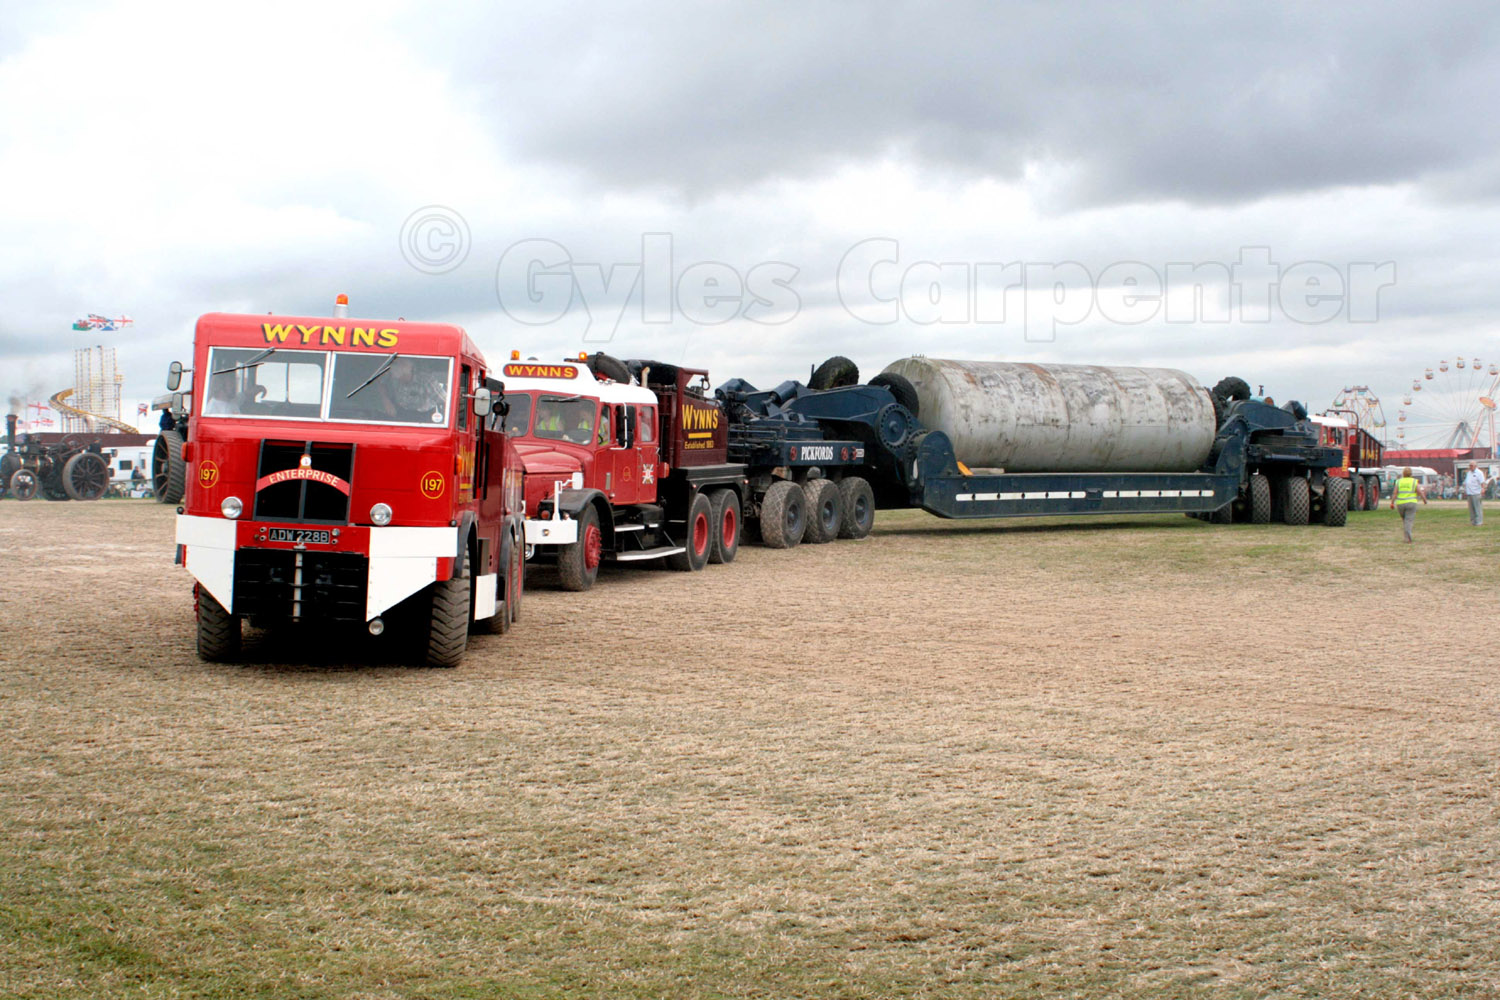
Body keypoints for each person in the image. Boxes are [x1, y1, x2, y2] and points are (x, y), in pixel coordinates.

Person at [1390, 466, 1428, 542]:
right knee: (1409, 520)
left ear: (1403, 473)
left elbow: (1395, 493)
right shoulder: (1414, 481)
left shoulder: (1399, 481)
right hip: (1411, 503)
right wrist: (1424, 500)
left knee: (1405, 520)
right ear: (1411, 474)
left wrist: (1392, 502)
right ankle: (1408, 538)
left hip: (1400, 503)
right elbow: (1419, 492)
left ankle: (1406, 536)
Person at [1461, 461, 1495, 526]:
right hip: (1469, 493)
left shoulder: (1479, 473)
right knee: (1471, 509)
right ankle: (1473, 521)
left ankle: (1479, 522)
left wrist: (1483, 489)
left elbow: (1482, 482)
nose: (1470, 467)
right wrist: (1465, 490)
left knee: (1477, 508)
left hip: (1476, 493)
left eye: (1471, 465)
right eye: (1469, 465)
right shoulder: (1469, 473)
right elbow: (1467, 482)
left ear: (1475, 466)